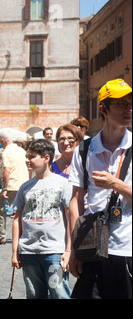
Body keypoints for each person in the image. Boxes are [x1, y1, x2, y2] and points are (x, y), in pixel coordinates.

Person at [68, 78, 132, 299]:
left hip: (126, 249)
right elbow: (75, 201)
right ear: (103, 109)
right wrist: (73, 248)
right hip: (91, 248)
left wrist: (116, 184)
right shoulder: (85, 149)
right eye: (121, 104)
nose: (129, 108)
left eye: (131, 103)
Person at [12, 139, 72, 299]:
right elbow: (17, 220)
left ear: (46, 158)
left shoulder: (63, 184)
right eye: (26, 156)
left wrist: (69, 250)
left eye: (31, 156)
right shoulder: (25, 187)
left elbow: (70, 218)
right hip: (29, 251)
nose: (27, 160)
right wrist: (15, 251)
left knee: (59, 292)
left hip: (54, 252)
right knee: (34, 294)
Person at [0, 128, 29, 244]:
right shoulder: (21, 150)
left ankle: (0, 236)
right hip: (23, 183)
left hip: (11, 185)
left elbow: (7, 170)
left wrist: (4, 188)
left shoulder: (6, 151)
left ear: (2, 140)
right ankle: (24, 235)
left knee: (1, 211)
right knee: (22, 211)